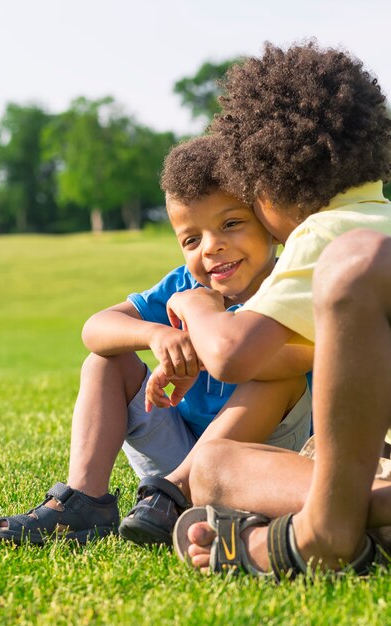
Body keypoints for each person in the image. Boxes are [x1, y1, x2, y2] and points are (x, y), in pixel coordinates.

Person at [0, 134, 311, 546]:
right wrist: (155, 334)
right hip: (173, 464)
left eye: (231, 223)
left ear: (270, 224)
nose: (212, 247)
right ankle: (87, 501)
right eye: (192, 239)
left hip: (260, 458)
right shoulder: (184, 285)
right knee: (106, 359)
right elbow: (95, 327)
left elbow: (296, 361)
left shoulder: (291, 286)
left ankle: (183, 492)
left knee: (279, 378)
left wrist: (201, 351)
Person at [166, 42, 391, 577]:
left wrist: (194, 306)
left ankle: (328, 527)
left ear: (267, 184)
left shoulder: (326, 233)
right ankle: (373, 518)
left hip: (375, 464)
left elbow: (232, 356)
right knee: (223, 460)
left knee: (217, 467)